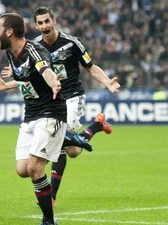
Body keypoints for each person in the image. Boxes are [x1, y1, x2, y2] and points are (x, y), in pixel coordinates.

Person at [32, 6, 120, 203]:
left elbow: (90, 67)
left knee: (60, 142)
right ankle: (97, 126)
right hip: (52, 100)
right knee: (73, 151)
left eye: (47, 21)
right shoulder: (35, 47)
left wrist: (107, 82)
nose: (45, 26)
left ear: (54, 21)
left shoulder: (72, 43)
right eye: (40, 23)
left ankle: (51, 195)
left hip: (73, 97)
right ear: (36, 25)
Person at [0, 13, 67, 225]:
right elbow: (27, 78)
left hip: (51, 112)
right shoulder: (10, 53)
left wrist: (54, 82)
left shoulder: (34, 50)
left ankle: (49, 222)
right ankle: (64, 139)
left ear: (9, 32)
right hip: (31, 115)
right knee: (22, 169)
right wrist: (7, 86)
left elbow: (45, 70)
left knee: (35, 168)